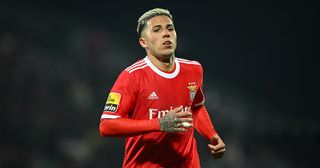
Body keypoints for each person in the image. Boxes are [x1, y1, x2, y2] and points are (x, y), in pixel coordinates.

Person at [99, 8, 226, 168]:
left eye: (170, 28)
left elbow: (196, 107)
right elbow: (107, 126)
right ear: (143, 42)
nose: (166, 34)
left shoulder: (194, 70)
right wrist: (158, 124)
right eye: (157, 30)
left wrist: (212, 135)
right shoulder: (132, 76)